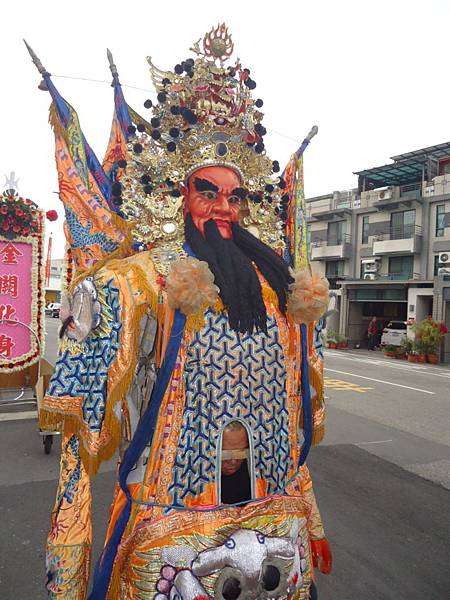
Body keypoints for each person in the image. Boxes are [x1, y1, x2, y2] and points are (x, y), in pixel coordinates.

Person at [37, 26, 332, 600]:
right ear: (178, 195)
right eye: (208, 191)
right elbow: (79, 439)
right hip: (174, 538)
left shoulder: (284, 292)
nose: (224, 208)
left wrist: (311, 519)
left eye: (235, 196)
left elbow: (294, 421)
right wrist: (67, 569)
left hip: (277, 528)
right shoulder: (137, 283)